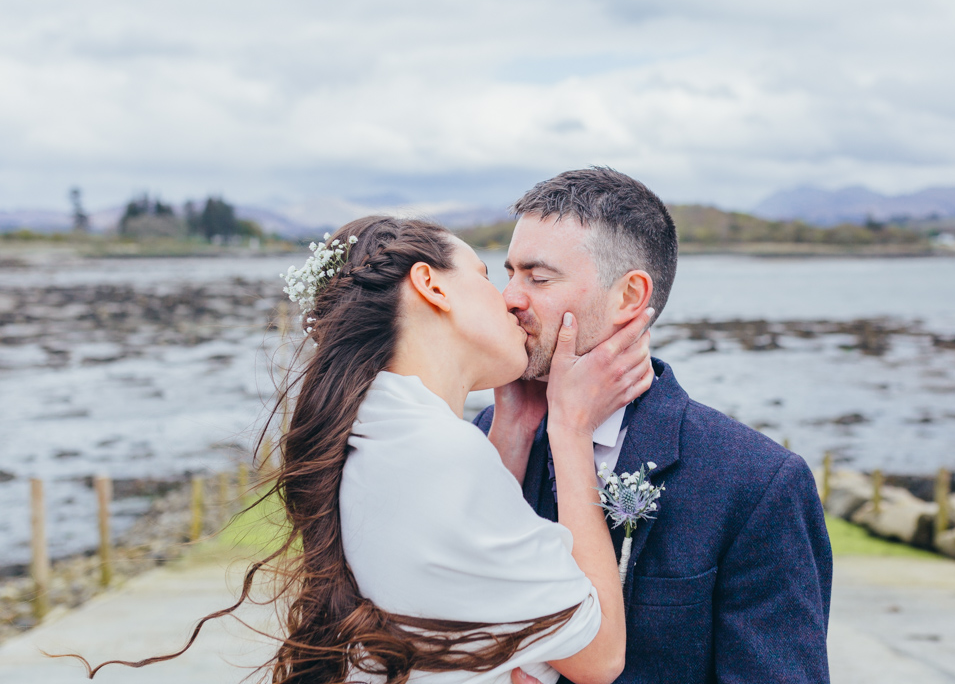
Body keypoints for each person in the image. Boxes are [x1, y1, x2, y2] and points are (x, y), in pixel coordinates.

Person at [64, 216, 652, 684]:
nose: (511, 301)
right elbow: (599, 658)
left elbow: (449, 557)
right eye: (485, 274)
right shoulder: (437, 452)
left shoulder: (373, 427)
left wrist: (513, 432)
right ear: (431, 286)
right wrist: (571, 433)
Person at [474, 168, 833, 684]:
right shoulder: (493, 433)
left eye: (538, 276)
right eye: (509, 273)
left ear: (629, 296)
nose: (509, 297)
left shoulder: (757, 483)